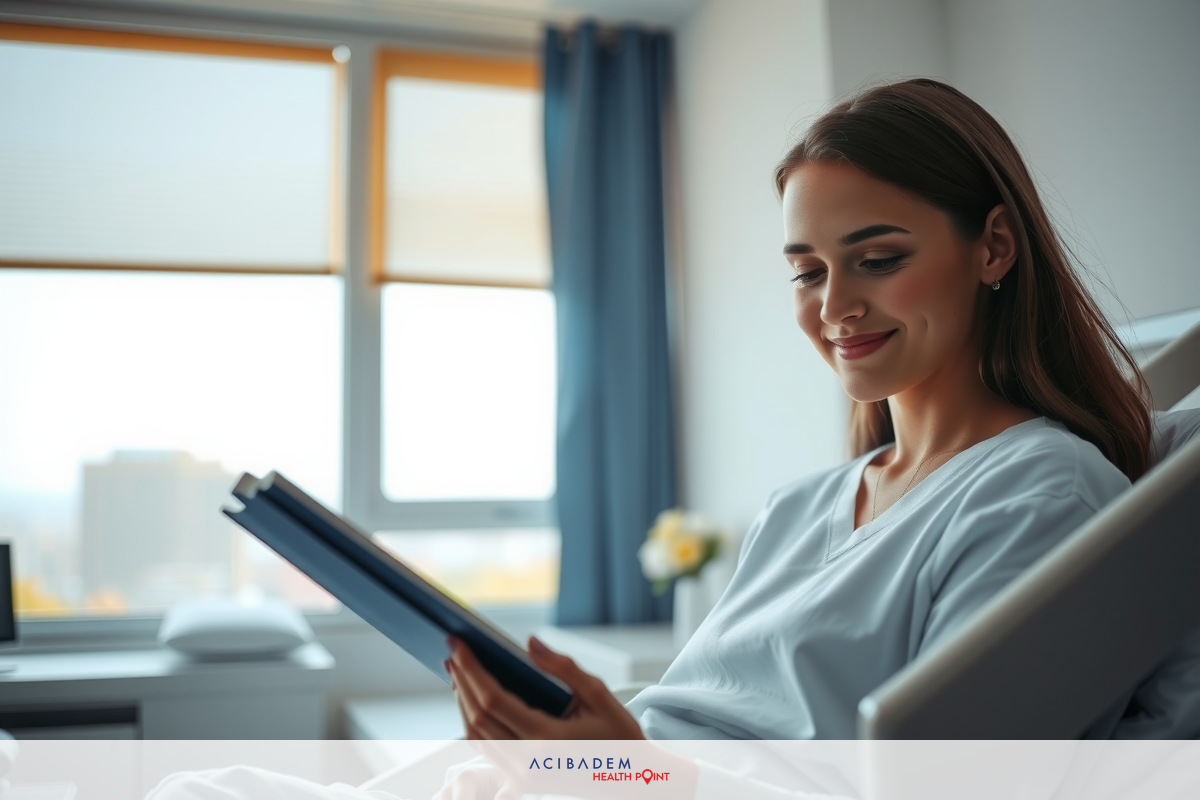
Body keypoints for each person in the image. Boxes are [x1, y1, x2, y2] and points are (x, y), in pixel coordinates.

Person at [443, 77, 1151, 742]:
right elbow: (695, 717)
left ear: (994, 247)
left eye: (877, 259)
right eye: (808, 272)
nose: (834, 307)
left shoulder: (1041, 495)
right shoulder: (797, 508)